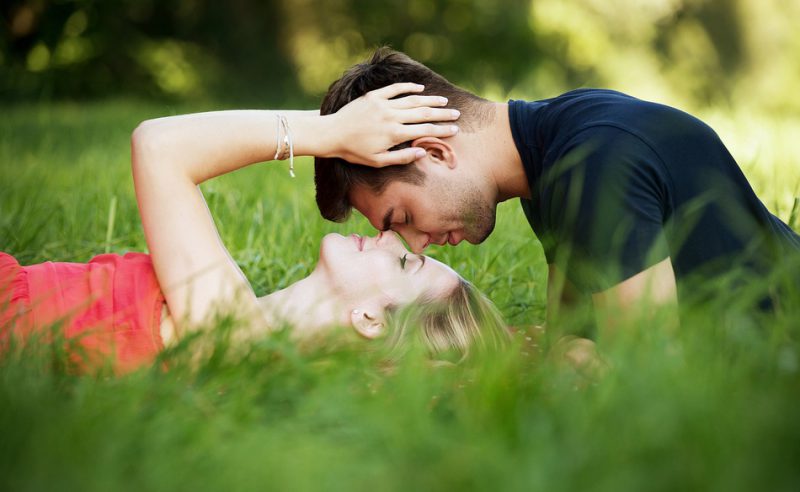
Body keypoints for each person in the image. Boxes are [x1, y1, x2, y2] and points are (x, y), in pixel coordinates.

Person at [0, 83, 508, 373]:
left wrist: (331, 131)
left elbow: (159, 146)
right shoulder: (239, 331)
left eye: (403, 262)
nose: (388, 236)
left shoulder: (234, 334)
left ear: (370, 320)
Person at [314, 48, 800, 334]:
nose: (414, 243)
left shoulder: (592, 162)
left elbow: (646, 380)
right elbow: (571, 336)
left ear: (435, 151)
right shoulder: (554, 154)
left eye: (400, 217)